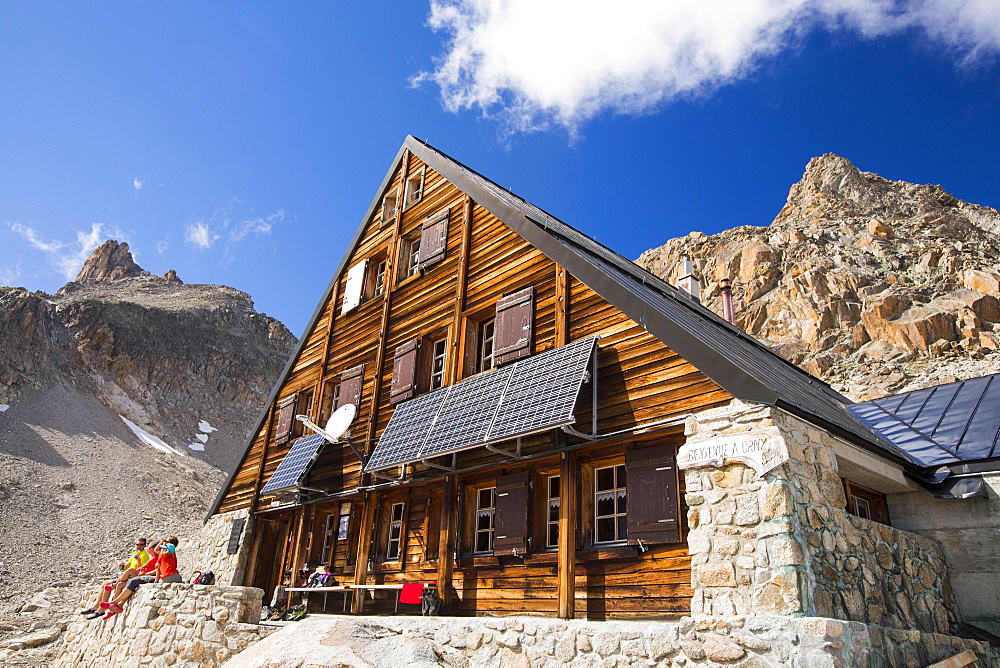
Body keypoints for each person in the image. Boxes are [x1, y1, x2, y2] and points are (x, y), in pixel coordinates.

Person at [100, 536, 181, 619]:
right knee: (129, 582)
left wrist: (149, 577)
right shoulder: (169, 553)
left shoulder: (164, 555)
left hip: (157, 577)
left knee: (132, 581)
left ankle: (114, 603)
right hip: (157, 576)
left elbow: (158, 569)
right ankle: (116, 605)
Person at [79, 537, 150, 619]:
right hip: (128, 576)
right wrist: (122, 566)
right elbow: (127, 567)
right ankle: (97, 607)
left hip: (134, 576)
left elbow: (141, 569)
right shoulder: (135, 554)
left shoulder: (144, 555)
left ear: (144, 545)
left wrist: (138, 561)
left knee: (116, 583)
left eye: (141, 545)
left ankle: (103, 608)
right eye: (137, 544)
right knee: (105, 584)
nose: (139, 546)